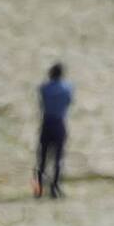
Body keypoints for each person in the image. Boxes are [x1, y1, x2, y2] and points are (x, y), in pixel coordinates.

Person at [35, 63, 73, 199]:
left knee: (42, 158)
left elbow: (41, 102)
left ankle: (38, 188)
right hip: (59, 123)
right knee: (58, 158)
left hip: (47, 122)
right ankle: (54, 188)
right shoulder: (67, 88)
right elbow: (69, 102)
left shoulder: (44, 88)